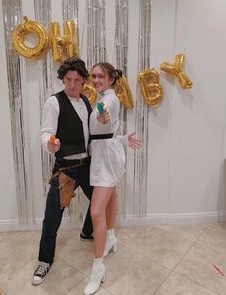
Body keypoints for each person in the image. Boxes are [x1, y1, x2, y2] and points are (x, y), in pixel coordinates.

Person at [32, 58, 96, 286]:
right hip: (67, 168)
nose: (72, 84)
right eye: (68, 79)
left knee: (101, 201)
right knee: (52, 217)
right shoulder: (54, 102)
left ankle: (87, 232)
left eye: (77, 80)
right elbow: (45, 133)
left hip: (87, 165)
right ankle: (44, 260)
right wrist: (50, 144)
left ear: (83, 81)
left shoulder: (86, 101)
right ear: (63, 79)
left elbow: (89, 133)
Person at [84, 62, 141, 295]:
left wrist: (103, 114)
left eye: (100, 76)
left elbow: (104, 111)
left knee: (96, 212)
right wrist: (123, 138)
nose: (96, 80)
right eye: (94, 76)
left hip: (105, 160)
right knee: (112, 196)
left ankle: (98, 267)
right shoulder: (102, 96)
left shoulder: (109, 99)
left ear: (110, 80)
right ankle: (111, 236)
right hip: (106, 153)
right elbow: (106, 129)